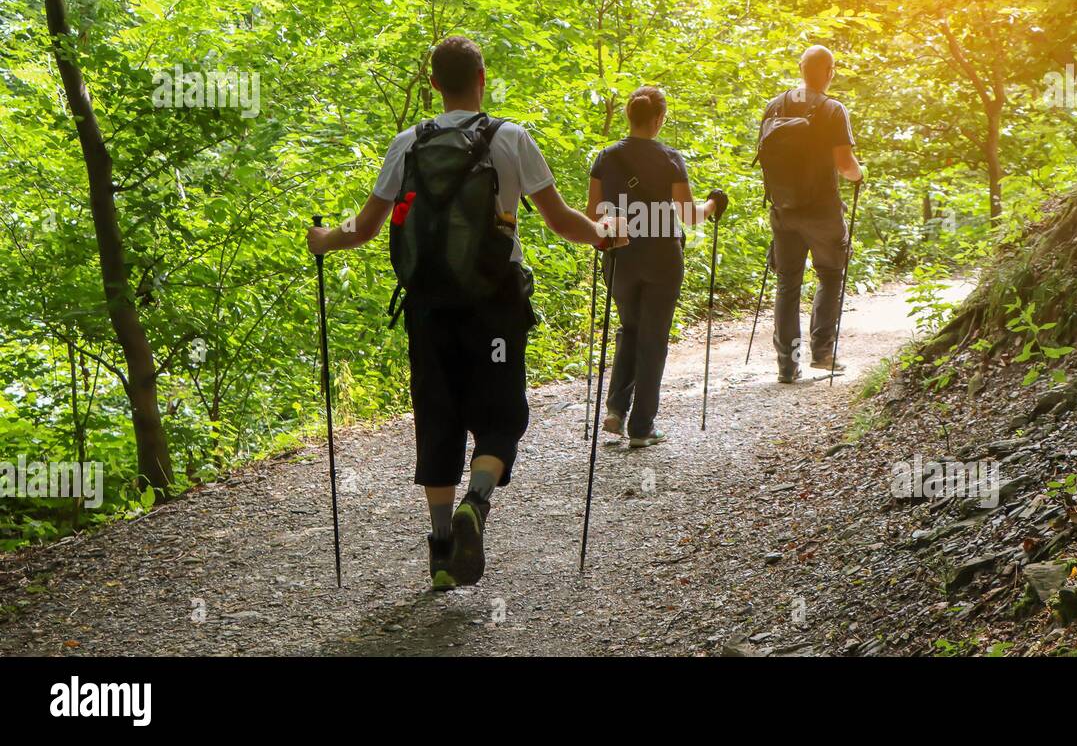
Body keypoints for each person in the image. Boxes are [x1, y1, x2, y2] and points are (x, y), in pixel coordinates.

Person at [307, 35, 626, 590]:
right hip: (495, 307)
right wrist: (602, 235)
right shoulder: (510, 137)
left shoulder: (408, 142)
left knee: (438, 420)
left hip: (429, 310)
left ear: (433, 85)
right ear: (483, 77)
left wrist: (322, 240)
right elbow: (558, 219)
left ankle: (440, 556)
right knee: (500, 418)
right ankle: (475, 506)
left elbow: (363, 229)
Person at [586, 86, 727, 448]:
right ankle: (642, 426)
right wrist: (712, 205)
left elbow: (593, 217)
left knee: (630, 328)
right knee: (654, 339)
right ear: (659, 119)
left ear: (628, 117)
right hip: (663, 257)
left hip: (621, 256)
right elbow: (688, 215)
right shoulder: (670, 158)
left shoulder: (605, 158)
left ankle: (616, 409)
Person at [761, 46, 863, 383]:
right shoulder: (833, 110)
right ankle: (822, 353)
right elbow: (846, 166)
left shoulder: (774, 106)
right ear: (830, 72)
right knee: (831, 275)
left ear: (801, 68)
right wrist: (860, 174)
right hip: (822, 211)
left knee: (788, 284)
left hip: (784, 209)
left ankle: (787, 366)